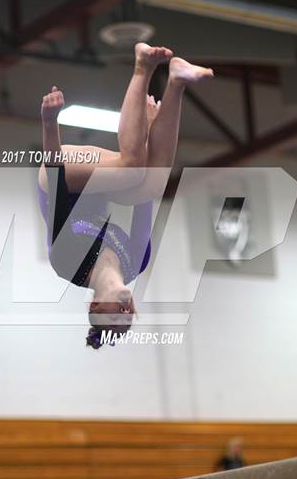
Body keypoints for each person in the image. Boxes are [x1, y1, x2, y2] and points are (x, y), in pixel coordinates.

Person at [38, 43, 213, 349]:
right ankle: (176, 82)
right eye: (128, 318)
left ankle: (143, 66)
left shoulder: (66, 261)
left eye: (113, 317)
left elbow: (56, 180)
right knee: (152, 183)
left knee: (131, 170)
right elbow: (147, 194)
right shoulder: (135, 262)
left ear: (94, 307)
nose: (125, 311)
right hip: (98, 188)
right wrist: (143, 131)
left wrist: (50, 123)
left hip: (59, 174)